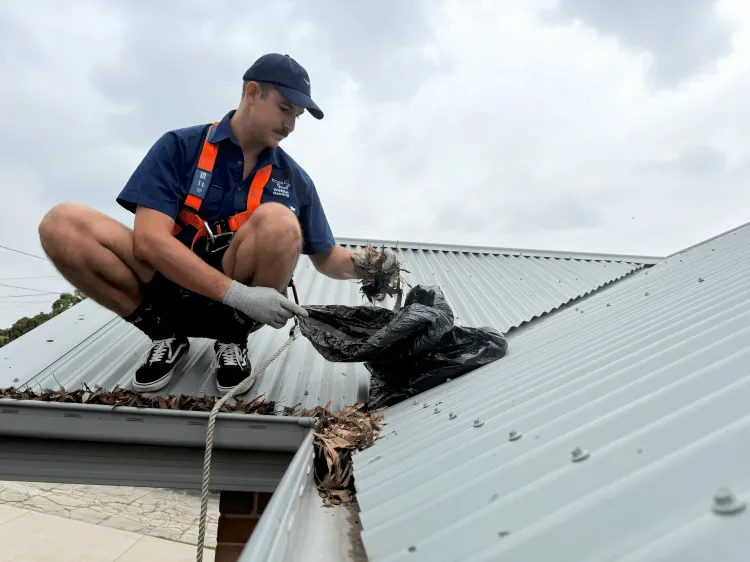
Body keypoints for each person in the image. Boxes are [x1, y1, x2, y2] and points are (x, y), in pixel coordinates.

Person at [38, 53, 398, 395]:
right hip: (166, 287)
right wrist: (236, 292)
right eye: (284, 108)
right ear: (252, 92)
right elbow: (148, 241)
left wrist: (370, 267)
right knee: (61, 223)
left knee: (280, 222)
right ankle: (164, 334)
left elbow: (326, 257)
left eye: (298, 115)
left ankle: (232, 339)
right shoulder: (180, 147)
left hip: (236, 309)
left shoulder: (293, 179)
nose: (290, 125)